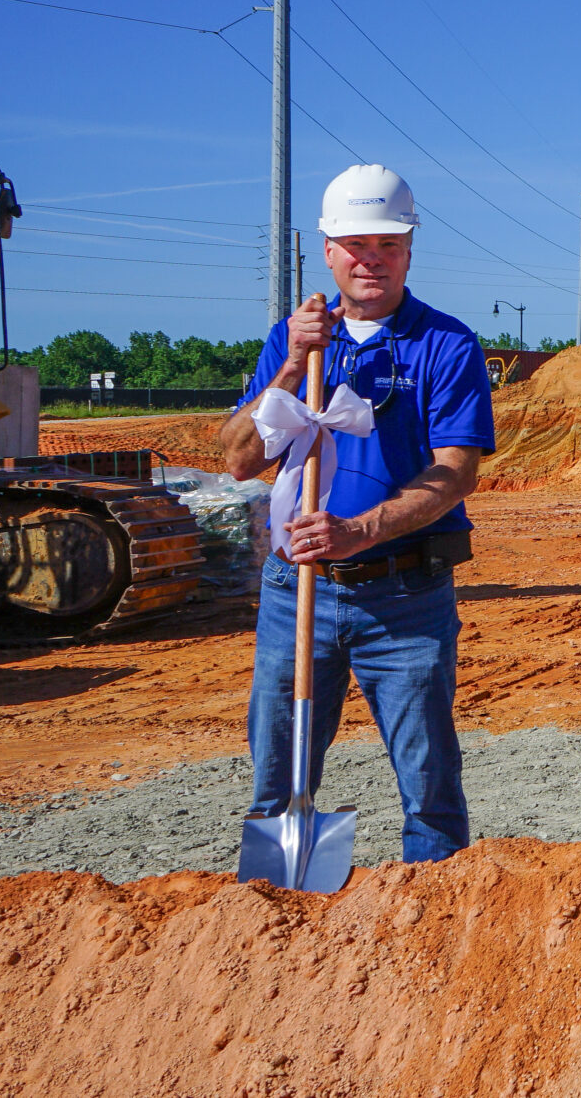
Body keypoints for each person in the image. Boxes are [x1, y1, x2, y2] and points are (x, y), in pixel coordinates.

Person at [221, 164, 495, 862]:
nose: (371, 258)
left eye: (388, 244)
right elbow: (239, 459)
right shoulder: (295, 340)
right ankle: (279, 925)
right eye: (357, 244)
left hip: (405, 595)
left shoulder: (447, 344)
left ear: (408, 249)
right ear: (329, 250)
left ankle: (431, 932)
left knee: (430, 791)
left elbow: (455, 472)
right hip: (296, 595)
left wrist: (356, 531)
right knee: (277, 782)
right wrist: (291, 366)